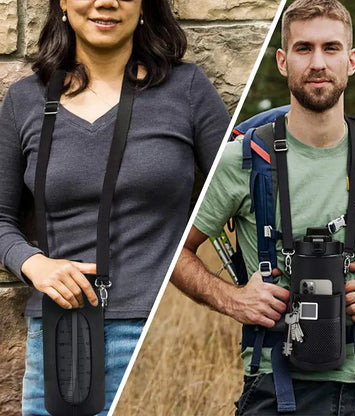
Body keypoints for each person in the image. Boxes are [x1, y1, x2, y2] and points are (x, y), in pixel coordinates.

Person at [171, 0, 355, 414]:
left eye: (331, 48)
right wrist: (233, 299)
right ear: (282, 61)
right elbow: (176, 251)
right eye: (304, 49)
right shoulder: (242, 160)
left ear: (351, 60)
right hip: (278, 387)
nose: (318, 62)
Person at [0, 0, 230, 414]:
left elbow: (241, 193)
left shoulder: (187, 89)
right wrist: (34, 264)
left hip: (156, 340)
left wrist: (229, 293)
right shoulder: (24, 100)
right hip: (58, 341)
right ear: (63, 3)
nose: (106, 2)